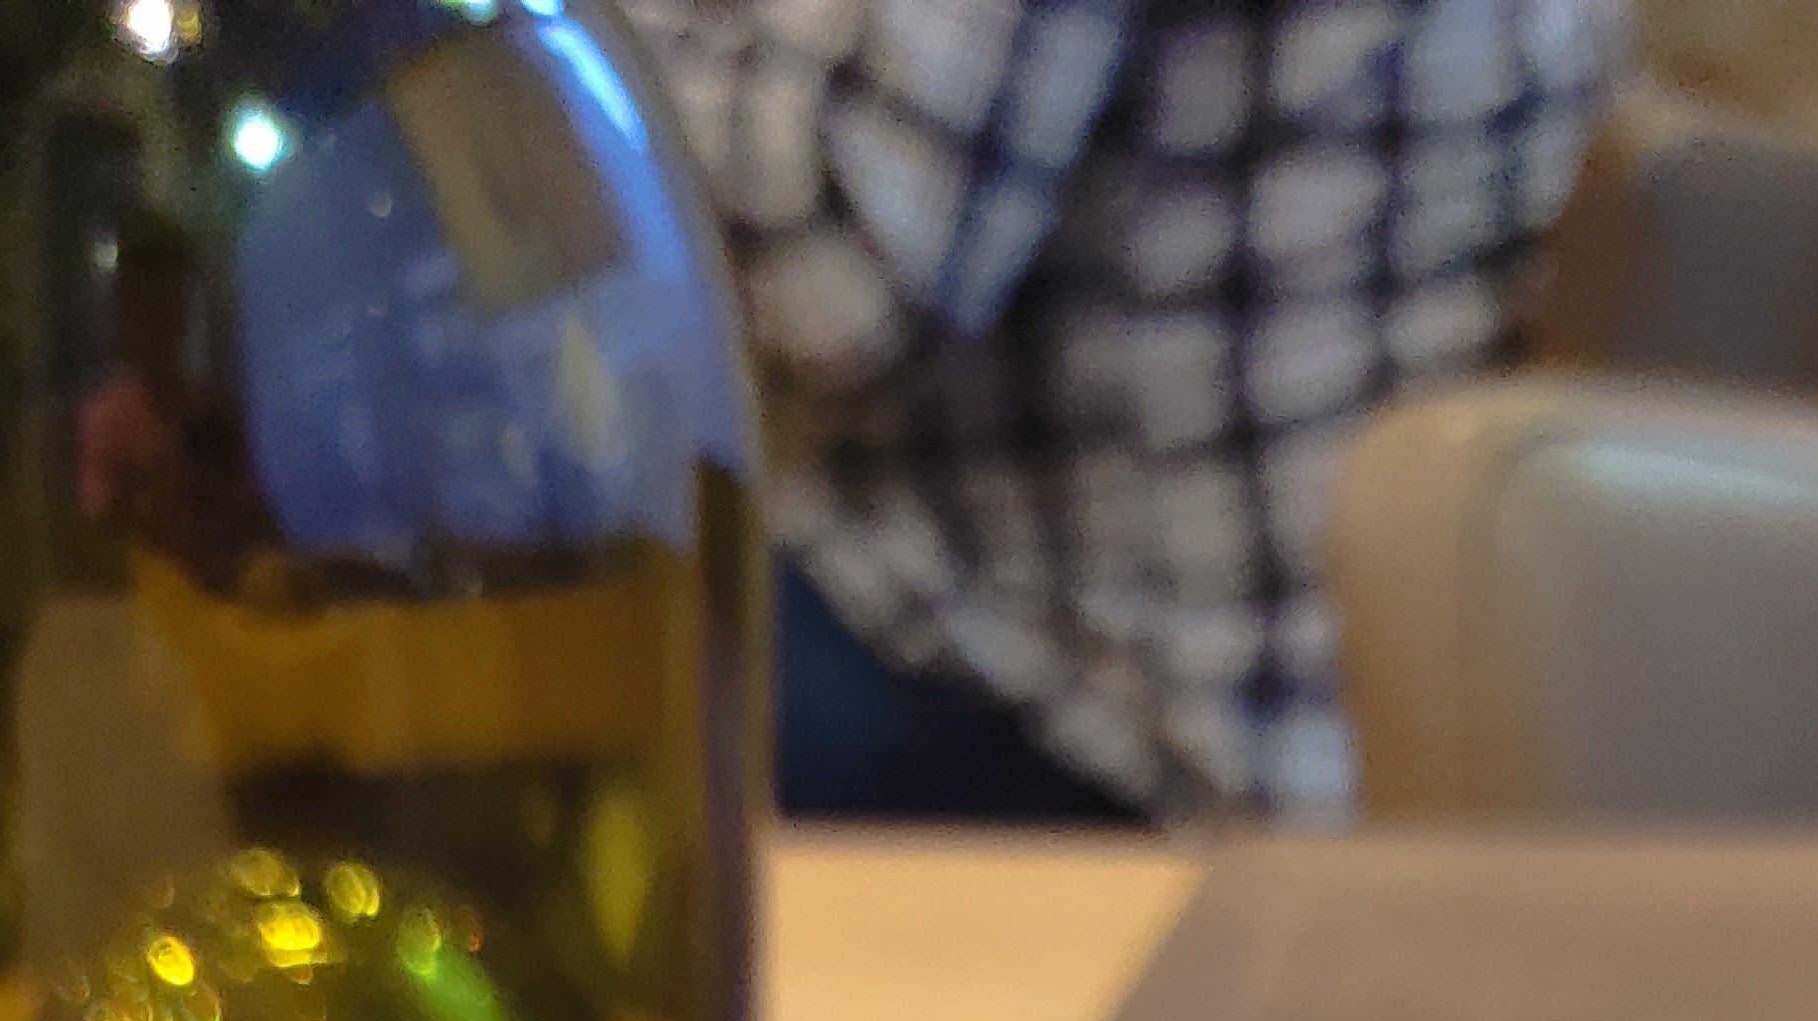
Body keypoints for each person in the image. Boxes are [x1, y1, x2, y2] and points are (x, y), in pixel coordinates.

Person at [619, 0, 1622, 825]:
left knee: (547, 672)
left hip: (1115, 710)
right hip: (1276, 658)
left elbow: (833, 283)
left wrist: (572, 49)